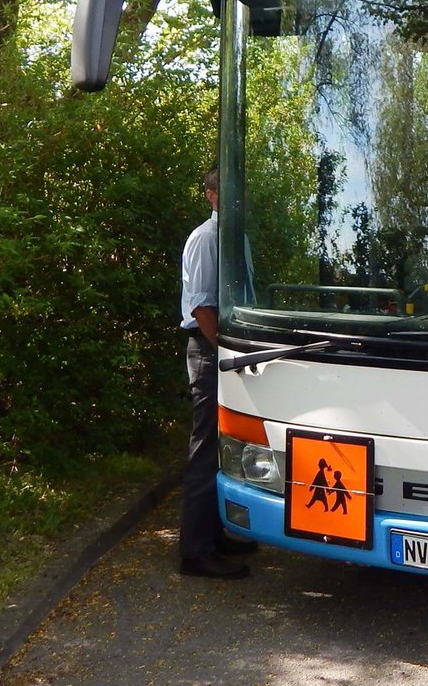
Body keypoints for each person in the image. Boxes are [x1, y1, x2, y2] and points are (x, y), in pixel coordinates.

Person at [179, 164, 257, 579]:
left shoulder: (235, 238)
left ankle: (215, 534)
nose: (234, 200)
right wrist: (226, 352)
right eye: (225, 192)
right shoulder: (205, 239)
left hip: (232, 353)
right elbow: (201, 307)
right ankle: (194, 552)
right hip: (211, 353)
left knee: (227, 446)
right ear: (210, 195)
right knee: (205, 447)